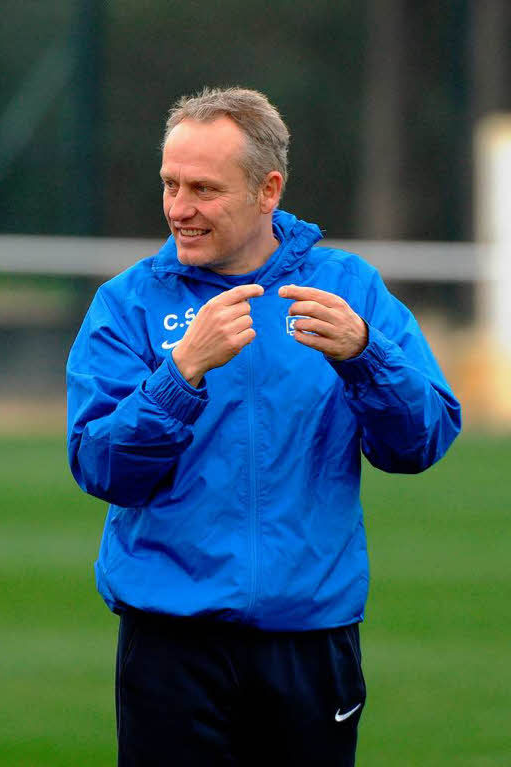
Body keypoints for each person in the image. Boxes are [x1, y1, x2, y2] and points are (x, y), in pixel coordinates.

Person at [66, 87, 461, 766]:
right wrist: (180, 373)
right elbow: (101, 467)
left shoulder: (349, 289)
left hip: (311, 641)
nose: (177, 209)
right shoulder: (128, 302)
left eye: (202, 188)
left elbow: (419, 442)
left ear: (267, 190)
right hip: (170, 645)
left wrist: (367, 356)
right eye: (169, 183)